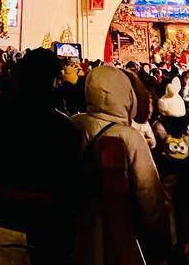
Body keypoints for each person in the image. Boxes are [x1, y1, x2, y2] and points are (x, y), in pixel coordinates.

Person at [0, 48, 83, 264]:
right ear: (55, 80)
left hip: (0, 219)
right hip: (45, 225)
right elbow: (69, 182)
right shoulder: (64, 127)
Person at [71, 65, 170, 264]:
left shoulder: (74, 123)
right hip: (118, 233)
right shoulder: (129, 136)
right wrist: (161, 237)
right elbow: (149, 194)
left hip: (74, 226)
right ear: (126, 95)